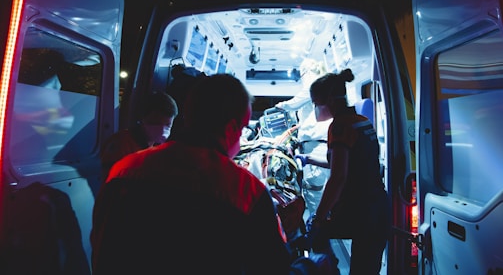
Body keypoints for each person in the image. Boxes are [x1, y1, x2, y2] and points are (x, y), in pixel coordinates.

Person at [91, 74, 319, 274]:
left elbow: (100, 247)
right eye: (240, 132)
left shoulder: (125, 169)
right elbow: (272, 269)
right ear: (231, 130)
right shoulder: (246, 190)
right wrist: (311, 267)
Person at [303, 68, 390, 275]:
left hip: (361, 211)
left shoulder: (339, 127)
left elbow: (338, 177)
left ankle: (327, 268)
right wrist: (308, 159)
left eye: (316, 104)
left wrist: (319, 217)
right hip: (378, 207)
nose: (316, 109)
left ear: (330, 100)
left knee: (317, 231)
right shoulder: (361, 121)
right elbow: (350, 163)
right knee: (367, 269)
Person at [275, 59, 332, 219]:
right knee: (322, 190)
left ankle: (318, 230)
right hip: (321, 145)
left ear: (306, 72)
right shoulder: (323, 87)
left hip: (316, 147)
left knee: (314, 190)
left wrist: (282, 105)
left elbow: (299, 99)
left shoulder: (313, 85)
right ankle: (322, 225)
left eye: (301, 75)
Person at [99, 91, 178, 181]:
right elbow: (110, 181)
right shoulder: (121, 143)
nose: (162, 130)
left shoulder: (156, 148)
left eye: (168, 125)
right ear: (143, 119)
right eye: (156, 123)